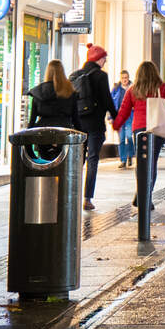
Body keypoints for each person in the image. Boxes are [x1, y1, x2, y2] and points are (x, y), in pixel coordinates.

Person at [113, 62, 165, 211]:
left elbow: (124, 110)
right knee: (152, 163)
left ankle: (141, 194)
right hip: (156, 129)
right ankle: (145, 197)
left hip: (139, 130)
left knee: (141, 163)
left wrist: (116, 125)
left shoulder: (133, 89)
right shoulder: (160, 87)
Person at [71, 46, 118, 211]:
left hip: (78, 124)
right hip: (95, 124)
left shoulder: (76, 75)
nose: (105, 61)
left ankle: (71, 195)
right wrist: (116, 117)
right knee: (92, 160)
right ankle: (87, 198)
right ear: (99, 58)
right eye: (104, 58)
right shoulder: (100, 76)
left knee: (77, 160)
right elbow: (107, 99)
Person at [28, 60, 79, 129]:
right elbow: (75, 119)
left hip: (43, 130)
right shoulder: (69, 91)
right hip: (64, 130)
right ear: (62, 72)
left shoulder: (38, 92)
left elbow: (32, 119)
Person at [111, 69, 134, 169]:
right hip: (120, 117)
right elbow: (111, 102)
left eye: (126, 78)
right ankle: (123, 160)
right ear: (120, 79)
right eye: (123, 78)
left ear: (128, 78)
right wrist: (111, 117)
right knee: (121, 139)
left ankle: (130, 155)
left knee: (129, 136)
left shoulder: (133, 88)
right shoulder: (116, 89)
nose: (124, 80)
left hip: (130, 116)